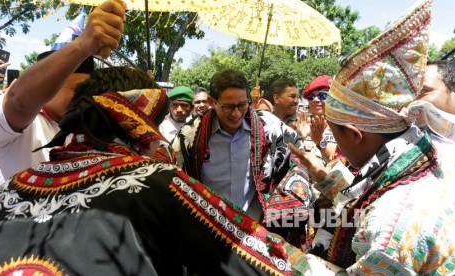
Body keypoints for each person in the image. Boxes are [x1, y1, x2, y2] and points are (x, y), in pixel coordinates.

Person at [0, 66, 304, 275]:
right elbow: (261, 260)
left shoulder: (13, 187)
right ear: (138, 121)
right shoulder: (156, 180)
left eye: (242, 106)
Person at [289, 0, 455, 273]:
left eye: (334, 130)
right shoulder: (428, 147)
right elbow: (371, 188)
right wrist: (323, 174)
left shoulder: (389, 225)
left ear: (354, 134)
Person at [0, 0, 125, 199]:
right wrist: (83, 45)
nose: (84, 98)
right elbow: (18, 101)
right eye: (77, 89)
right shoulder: (13, 121)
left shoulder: (91, 132)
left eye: (87, 90)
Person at [171, 68, 311, 238]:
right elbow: (175, 179)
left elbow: (299, 156)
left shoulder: (271, 128)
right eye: (228, 107)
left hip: (256, 233)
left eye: (242, 105)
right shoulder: (189, 137)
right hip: (208, 232)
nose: (236, 113)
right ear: (211, 102)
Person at [295, 75, 336, 163]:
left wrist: (319, 141)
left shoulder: (342, 126)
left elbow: (342, 161)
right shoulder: (301, 123)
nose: (315, 100)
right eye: (311, 96)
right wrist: (300, 137)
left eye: (322, 95)